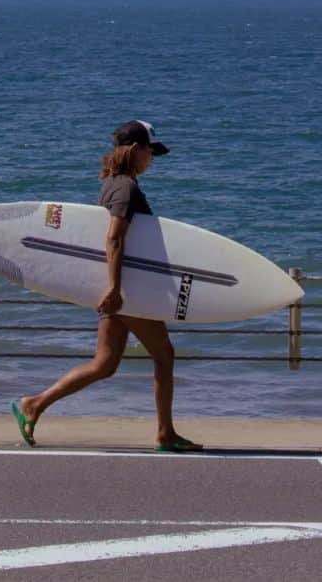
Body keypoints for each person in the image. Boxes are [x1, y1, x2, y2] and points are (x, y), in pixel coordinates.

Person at [11, 119, 202, 453]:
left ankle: (35, 403)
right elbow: (113, 238)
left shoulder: (112, 184)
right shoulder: (126, 188)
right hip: (126, 290)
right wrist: (115, 290)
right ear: (136, 150)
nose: (152, 159)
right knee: (164, 355)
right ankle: (165, 433)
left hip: (115, 287)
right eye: (150, 151)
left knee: (105, 363)